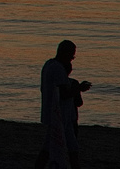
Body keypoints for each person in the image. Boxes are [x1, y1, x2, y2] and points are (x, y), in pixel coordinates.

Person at [35, 40, 91, 169]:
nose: (72, 59)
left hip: (61, 116)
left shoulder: (49, 64)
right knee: (48, 148)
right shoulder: (58, 68)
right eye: (71, 55)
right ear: (64, 53)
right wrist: (79, 88)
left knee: (72, 148)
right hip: (58, 116)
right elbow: (64, 94)